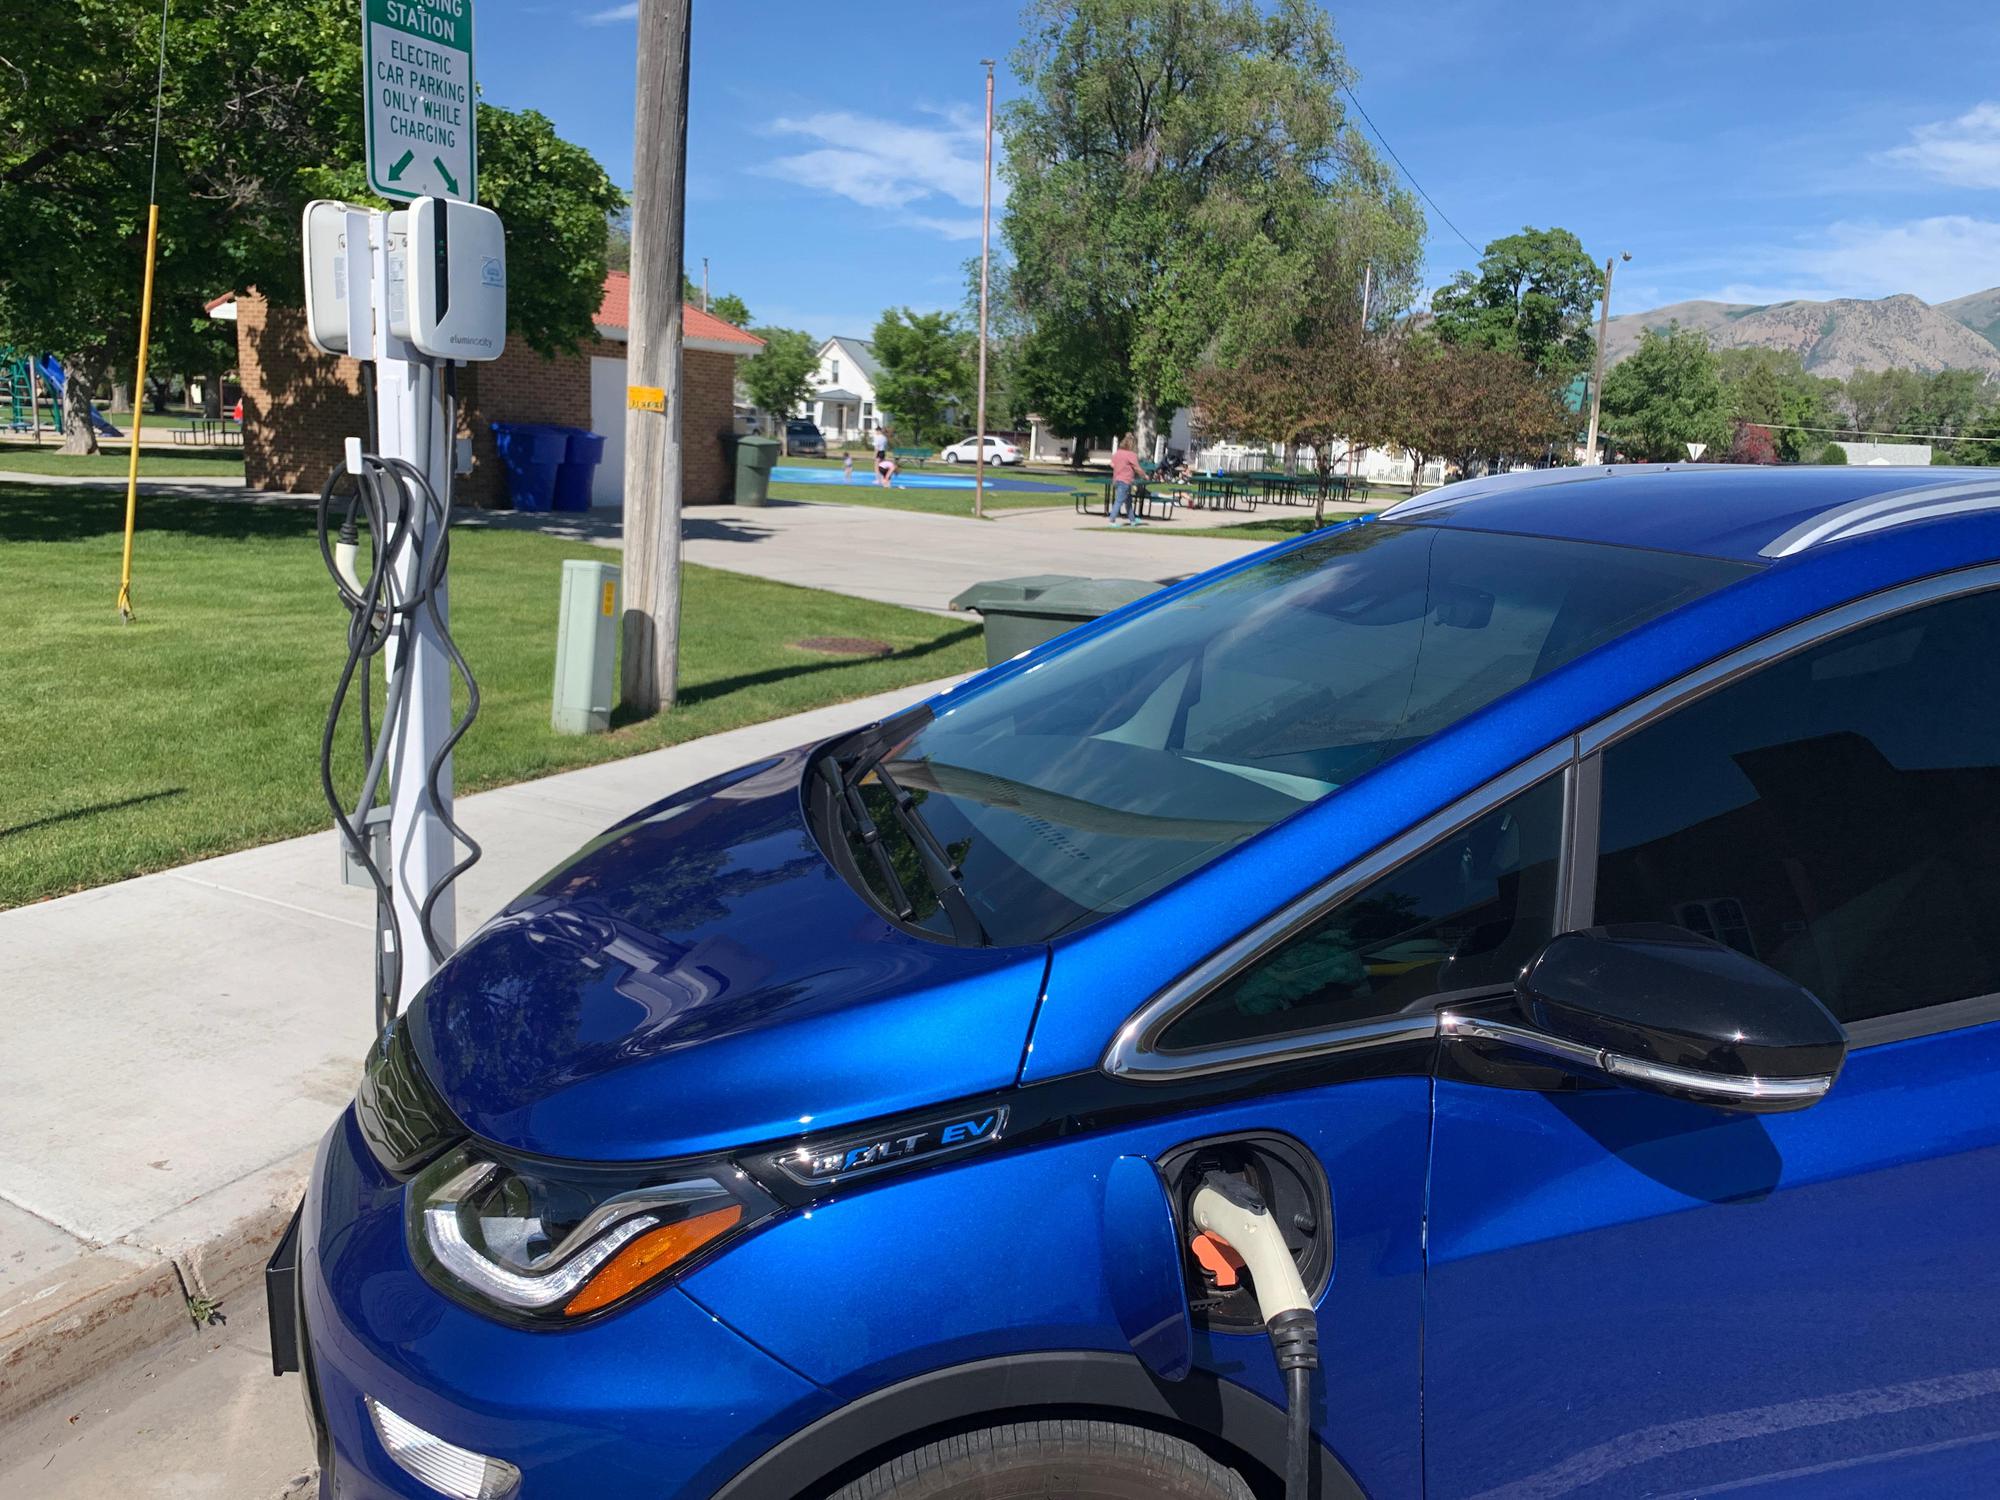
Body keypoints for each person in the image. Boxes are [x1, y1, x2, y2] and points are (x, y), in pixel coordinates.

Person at [1109, 434, 1145, 526]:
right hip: (1125, 481)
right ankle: (1112, 520)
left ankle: (1132, 520)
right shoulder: (1131, 455)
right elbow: (1137, 468)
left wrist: (1120, 467)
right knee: (1119, 501)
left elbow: (1112, 464)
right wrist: (1144, 475)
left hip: (1117, 479)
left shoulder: (1118, 453)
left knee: (1128, 501)